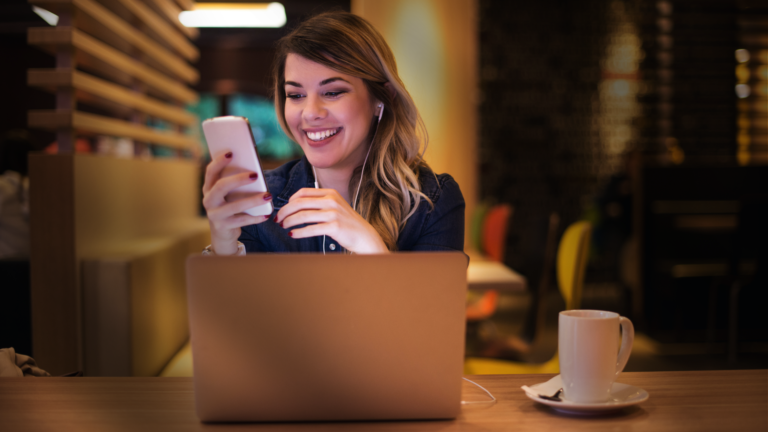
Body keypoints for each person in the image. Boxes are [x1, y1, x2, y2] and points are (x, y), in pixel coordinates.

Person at [202, 11, 465, 255]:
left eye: (332, 92)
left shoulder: (433, 202)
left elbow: (432, 307)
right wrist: (224, 244)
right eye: (295, 95)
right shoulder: (260, 201)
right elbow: (235, 305)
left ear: (380, 99)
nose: (310, 112)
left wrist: (370, 247)